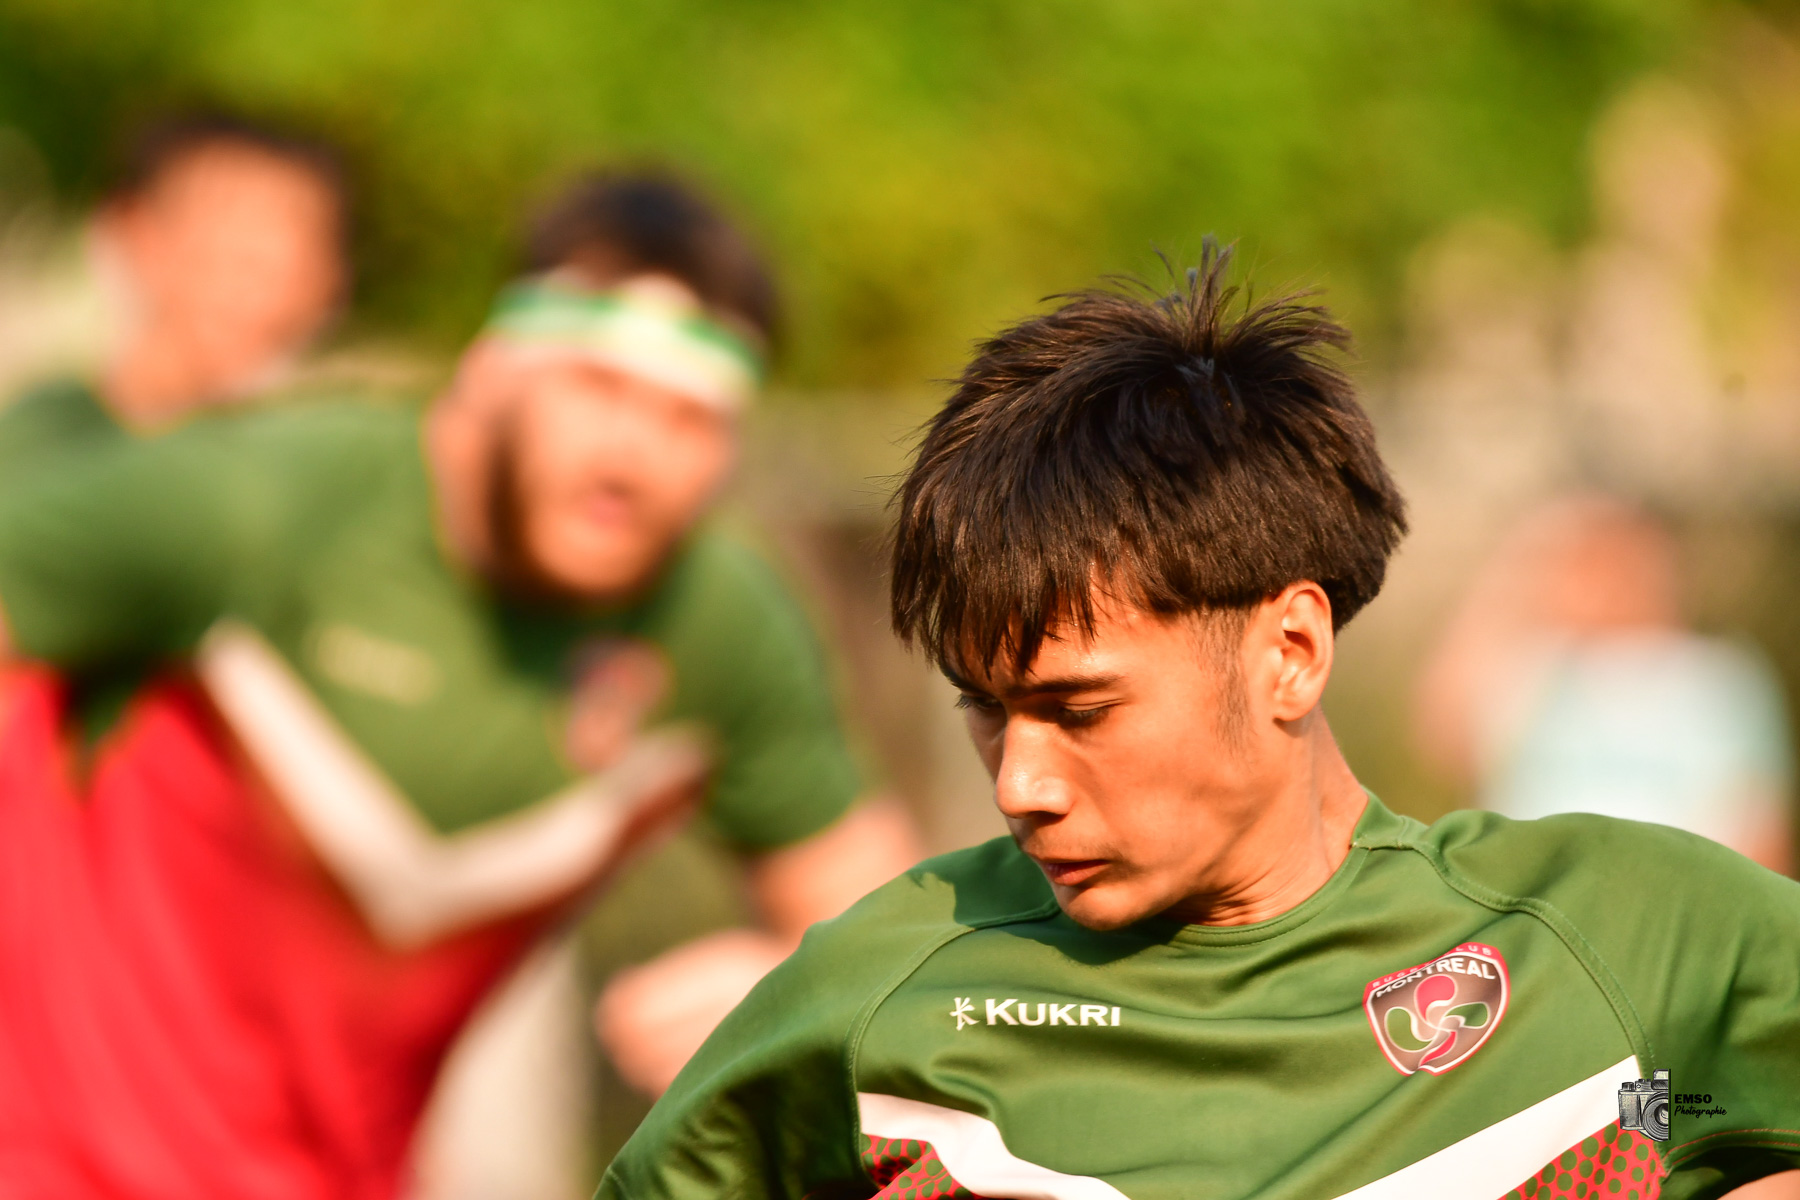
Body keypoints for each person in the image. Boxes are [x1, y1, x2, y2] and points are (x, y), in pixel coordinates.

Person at [600, 249, 1800, 1200]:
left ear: (1290, 652)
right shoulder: (885, 990)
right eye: (987, 710)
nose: (1020, 781)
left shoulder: (1632, 944)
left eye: (1080, 708)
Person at [0, 172, 915, 1199]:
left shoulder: (717, 628)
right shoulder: (263, 498)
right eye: (597, 389)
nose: (633, 455)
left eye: (690, 419)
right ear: (490, 370)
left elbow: (892, 953)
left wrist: (792, 1004)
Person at [1415, 493, 1794, 875]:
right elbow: (1443, 738)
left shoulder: (1721, 678)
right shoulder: (1533, 670)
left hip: (1676, 914)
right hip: (1543, 914)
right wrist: (1514, 565)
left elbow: (1761, 829)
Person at [0, 112, 348, 480]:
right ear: (136, 232)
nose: (261, 298)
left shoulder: (313, 471)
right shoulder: (44, 441)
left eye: (288, 266)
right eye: (236, 257)